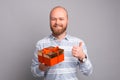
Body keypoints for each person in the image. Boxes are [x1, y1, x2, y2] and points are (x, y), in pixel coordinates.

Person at [31, 6, 93, 80]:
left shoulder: (78, 43)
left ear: (67, 21)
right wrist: (42, 67)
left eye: (61, 19)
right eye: (53, 19)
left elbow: (88, 72)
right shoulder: (41, 44)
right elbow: (34, 73)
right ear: (49, 21)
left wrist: (82, 57)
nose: (57, 22)